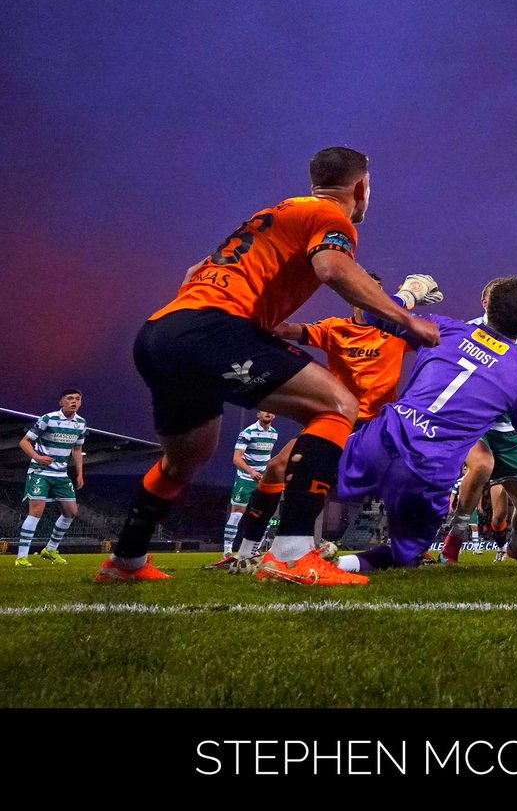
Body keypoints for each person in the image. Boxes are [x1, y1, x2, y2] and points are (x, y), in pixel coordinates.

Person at [96, 146, 439, 585]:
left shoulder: (270, 215)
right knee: (337, 405)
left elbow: (194, 270)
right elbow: (333, 269)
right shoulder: (332, 218)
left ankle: (126, 561)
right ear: (362, 187)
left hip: (161, 333)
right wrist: (407, 317)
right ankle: (294, 554)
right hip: (212, 331)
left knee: (184, 461)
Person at [333, 277, 517, 575]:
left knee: (299, 465)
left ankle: (282, 545)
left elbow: (370, 314)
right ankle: (334, 562)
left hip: (380, 437)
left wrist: (409, 294)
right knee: (405, 556)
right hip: (426, 469)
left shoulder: (447, 327)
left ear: (489, 307)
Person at [217, 270, 435, 569]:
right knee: (276, 468)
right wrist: (248, 317)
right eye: (366, 291)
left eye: (378, 293)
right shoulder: (334, 329)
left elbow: (438, 339)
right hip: (338, 420)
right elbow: (287, 330)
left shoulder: (397, 332)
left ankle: (416, 549)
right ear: (353, 297)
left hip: (378, 426)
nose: (374, 298)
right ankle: (244, 554)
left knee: (412, 478)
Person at [440, 279, 517, 563]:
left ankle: (515, 545)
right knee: (482, 465)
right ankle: (453, 542)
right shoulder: (468, 330)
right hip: (475, 422)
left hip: (508, 431)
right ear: (486, 303)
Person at [14, 389, 86, 567]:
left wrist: (80, 472)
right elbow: (24, 441)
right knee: (37, 510)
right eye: (70, 399)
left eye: (77, 399)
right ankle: (21, 557)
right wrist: (38, 457)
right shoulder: (48, 419)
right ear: (61, 402)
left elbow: (77, 450)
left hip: (61, 474)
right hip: (40, 471)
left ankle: (50, 549)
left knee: (71, 512)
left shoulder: (81, 423)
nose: (74, 402)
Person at [219, 411, 278, 559]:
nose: (268, 413)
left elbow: (267, 457)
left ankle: (255, 549)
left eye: (271, 411)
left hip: (262, 480)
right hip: (245, 478)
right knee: (237, 513)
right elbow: (237, 458)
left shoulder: (274, 434)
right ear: (258, 414)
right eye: (264, 410)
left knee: (265, 514)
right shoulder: (247, 432)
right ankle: (227, 551)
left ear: (274, 416)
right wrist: (251, 471)